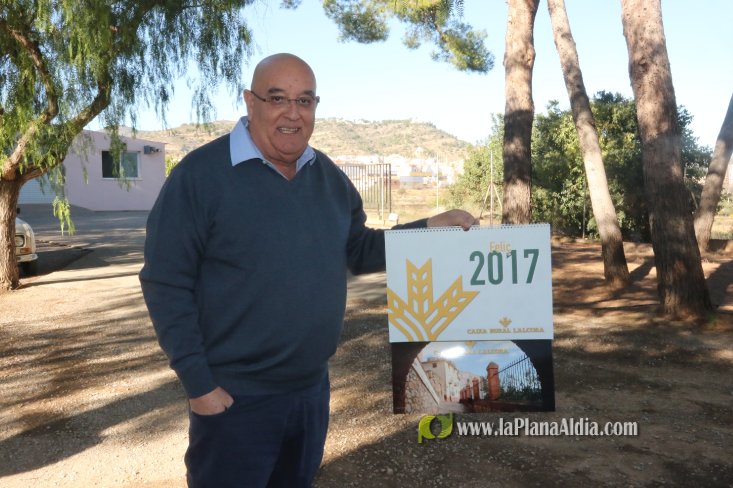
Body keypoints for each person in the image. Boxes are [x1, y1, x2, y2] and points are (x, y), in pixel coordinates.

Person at [139, 53, 477, 488]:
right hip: (234, 400)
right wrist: (199, 385)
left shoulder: (329, 177)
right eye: (277, 98)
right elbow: (165, 281)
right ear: (251, 101)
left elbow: (359, 249)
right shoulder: (200, 176)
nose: (292, 114)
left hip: (310, 393)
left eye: (305, 101)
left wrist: (431, 227)